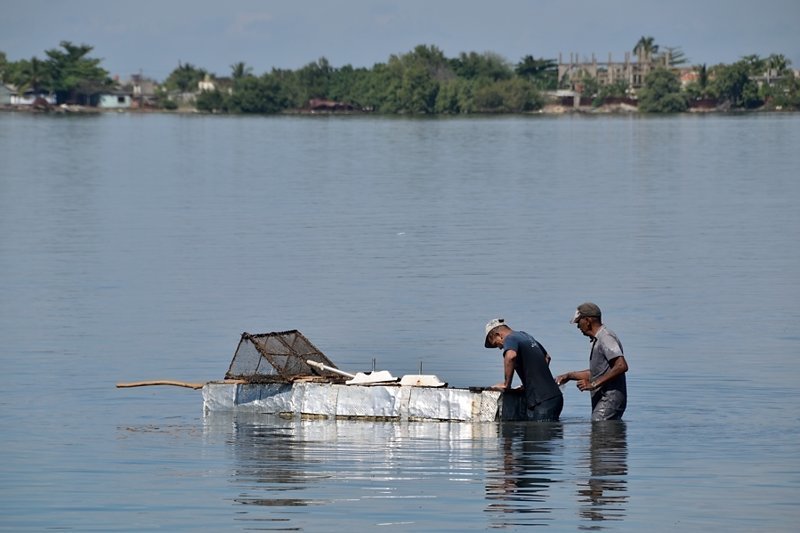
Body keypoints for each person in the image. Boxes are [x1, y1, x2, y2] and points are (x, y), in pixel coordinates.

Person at [556, 303, 628, 421]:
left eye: (578, 322)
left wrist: (593, 384)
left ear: (587, 320)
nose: (578, 327)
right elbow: (598, 372)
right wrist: (569, 376)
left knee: (600, 430)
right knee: (601, 437)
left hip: (609, 399)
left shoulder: (606, 338)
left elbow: (621, 366)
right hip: (604, 400)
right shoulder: (597, 340)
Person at [484, 318, 563, 421]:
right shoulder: (525, 336)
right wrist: (531, 382)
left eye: (496, 344)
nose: (499, 348)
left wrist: (506, 384)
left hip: (542, 400)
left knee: (539, 433)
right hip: (555, 396)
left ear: (498, 335)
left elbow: (511, 356)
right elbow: (547, 357)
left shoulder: (510, 338)